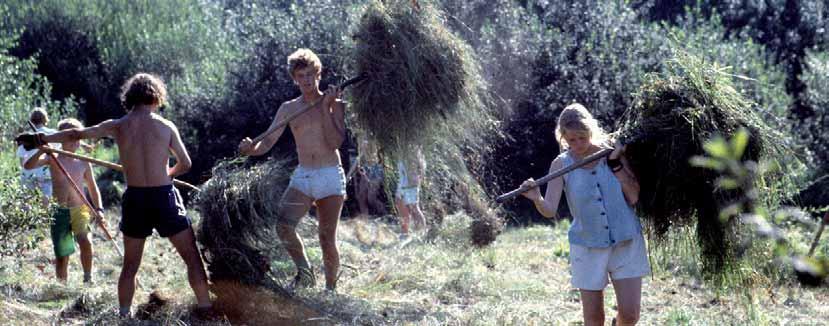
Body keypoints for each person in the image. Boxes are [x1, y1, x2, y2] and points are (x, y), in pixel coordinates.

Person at [17, 73, 213, 318]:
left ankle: (123, 315)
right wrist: (167, 174)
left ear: (130, 97)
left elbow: (75, 134)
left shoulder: (118, 125)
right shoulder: (165, 126)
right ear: (156, 96)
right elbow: (185, 163)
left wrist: (40, 139)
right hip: (163, 196)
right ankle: (206, 309)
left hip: (135, 198)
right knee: (192, 258)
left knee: (130, 265)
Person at [520, 103, 649, 326]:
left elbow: (634, 197)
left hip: (626, 241)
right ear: (563, 138)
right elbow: (549, 210)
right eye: (571, 140)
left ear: (591, 130)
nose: (578, 144)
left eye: (582, 137)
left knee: (630, 315)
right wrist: (536, 198)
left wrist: (617, 163)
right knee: (593, 319)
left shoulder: (611, 152)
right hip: (588, 247)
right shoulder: (561, 164)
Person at [239, 48, 346, 291]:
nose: (307, 80)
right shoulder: (288, 109)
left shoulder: (335, 103)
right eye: (301, 75)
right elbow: (266, 143)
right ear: (294, 79)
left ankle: (331, 290)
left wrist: (327, 108)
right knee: (283, 226)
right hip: (304, 175)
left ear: (318, 74)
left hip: (330, 175)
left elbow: (335, 143)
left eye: (310, 74)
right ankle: (305, 274)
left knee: (326, 238)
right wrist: (250, 148)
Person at [23, 118, 100, 284]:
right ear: (60, 139)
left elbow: (93, 188)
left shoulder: (84, 161)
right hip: (59, 210)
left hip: (80, 209)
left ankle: (88, 278)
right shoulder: (53, 158)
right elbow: (28, 166)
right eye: (68, 138)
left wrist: (99, 209)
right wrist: (40, 151)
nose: (73, 142)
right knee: (62, 255)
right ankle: (62, 286)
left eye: (76, 138)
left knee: (85, 241)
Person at [17, 108, 58, 207]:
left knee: (27, 207)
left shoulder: (25, 136)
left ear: (32, 120)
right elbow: (56, 156)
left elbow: (22, 162)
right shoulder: (53, 133)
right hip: (45, 175)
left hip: (28, 175)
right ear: (45, 119)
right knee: (45, 207)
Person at [395, 148, 427, 238]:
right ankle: (405, 233)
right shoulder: (403, 146)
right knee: (401, 205)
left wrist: (413, 182)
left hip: (409, 186)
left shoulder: (412, 149)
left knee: (414, 209)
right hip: (403, 183)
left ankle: (421, 234)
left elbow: (417, 169)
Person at [355, 139, 387, 217]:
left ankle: (385, 214)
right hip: (366, 166)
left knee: (371, 198)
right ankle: (365, 218)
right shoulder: (361, 134)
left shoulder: (373, 133)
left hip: (376, 167)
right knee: (361, 196)